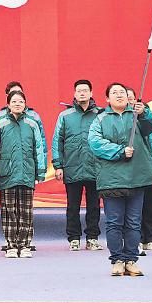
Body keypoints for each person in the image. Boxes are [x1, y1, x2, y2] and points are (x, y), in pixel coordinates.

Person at [89, 83, 152, 277]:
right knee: (114, 222)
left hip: (137, 176)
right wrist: (119, 151)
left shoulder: (137, 115)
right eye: (114, 93)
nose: (119, 95)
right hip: (111, 178)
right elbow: (95, 143)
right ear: (107, 99)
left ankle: (131, 259)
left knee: (134, 222)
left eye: (122, 92)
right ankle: (117, 260)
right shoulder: (100, 119)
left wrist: (145, 113)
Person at [0, 89, 47, 259]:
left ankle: (25, 245)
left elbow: (39, 148)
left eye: (21, 101)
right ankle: (11, 245)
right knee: (9, 211)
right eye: (14, 101)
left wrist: (40, 171)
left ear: (25, 104)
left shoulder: (32, 124)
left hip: (27, 172)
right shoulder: (0, 124)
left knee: (26, 211)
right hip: (6, 173)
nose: (17, 104)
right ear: (8, 104)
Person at [51, 79, 103, 253]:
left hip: (95, 168)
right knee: (72, 206)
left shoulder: (100, 114)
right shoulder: (65, 116)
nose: (82, 93)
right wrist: (58, 165)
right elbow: (57, 141)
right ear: (74, 94)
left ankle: (92, 238)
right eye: (79, 90)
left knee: (94, 205)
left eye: (85, 90)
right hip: (72, 167)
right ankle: (74, 238)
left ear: (91, 93)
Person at [127, 87, 152, 255]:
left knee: (151, 208)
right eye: (125, 97)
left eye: (131, 98)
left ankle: (149, 239)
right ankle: (134, 240)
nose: (128, 100)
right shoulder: (121, 120)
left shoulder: (149, 121)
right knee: (134, 209)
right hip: (133, 173)